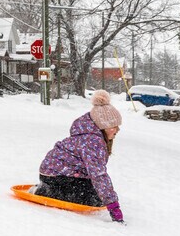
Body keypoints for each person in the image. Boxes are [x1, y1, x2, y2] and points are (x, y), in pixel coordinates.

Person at [33, 89, 124, 223]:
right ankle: (46, 191)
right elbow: (98, 174)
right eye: (112, 126)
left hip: (58, 174)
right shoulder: (92, 142)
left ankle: (52, 188)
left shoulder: (90, 137)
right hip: (56, 176)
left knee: (96, 194)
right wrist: (113, 206)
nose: (116, 130)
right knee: (92, 200)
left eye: (117, 126)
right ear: (102, 126)